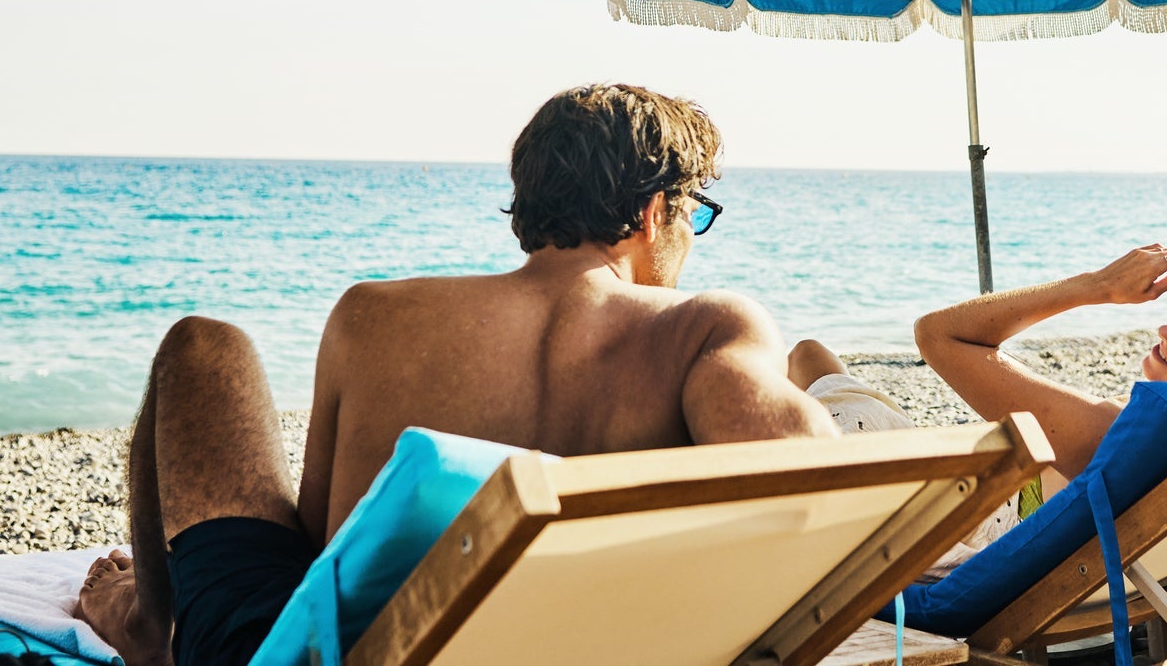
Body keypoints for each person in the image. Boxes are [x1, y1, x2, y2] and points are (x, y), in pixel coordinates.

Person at [76, 84, 834, 666]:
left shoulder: (369, 315)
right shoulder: (700, 329)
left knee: (202, 347)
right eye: (692, 215)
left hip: (317, 650)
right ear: (651, 213)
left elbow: (316, 549)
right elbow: (818, 487)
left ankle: (150, 624)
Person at [790, 246, 1167, 487]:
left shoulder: (1117, 434)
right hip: (969, 492)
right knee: (810, 357)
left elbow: (936, 334)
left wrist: (1096, 287)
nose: (1165, 331)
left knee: (795, 354)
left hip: (935, 522)